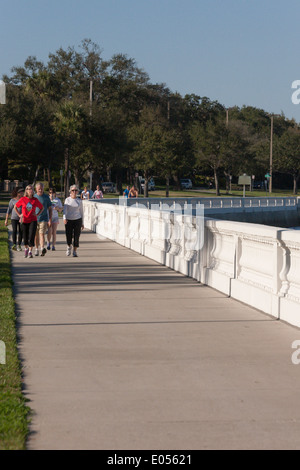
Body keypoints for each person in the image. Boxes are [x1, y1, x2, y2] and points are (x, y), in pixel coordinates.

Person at [14, 185, 43, 258]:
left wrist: (37, 214)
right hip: (24, 221)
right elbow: (15, 207)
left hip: (33, 220)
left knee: (31, 236)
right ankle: (26, 249)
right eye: (28, 189)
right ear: (26, 191)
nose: (30, 190)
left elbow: (41, 208)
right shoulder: (23, 199)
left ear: (33, 191)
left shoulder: (35, 200)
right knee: (25, 237)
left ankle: (30, 251)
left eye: (31, 189)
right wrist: (20, 215)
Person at [63, 185, 84, 257]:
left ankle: (75, 251)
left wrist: (82, 223)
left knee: (76, 236)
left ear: (77, 191)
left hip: (77, 220)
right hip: (69, 220)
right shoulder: (67, 200)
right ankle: (69, 246)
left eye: (75, 190)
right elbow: (65, 210)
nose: (74, 192)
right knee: (68, 235)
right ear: (70, 191)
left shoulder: (79, 201)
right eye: (73, 190)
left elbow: (81, 212)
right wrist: (64, 218)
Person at [34, 182, 53, 256]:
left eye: (41, 189)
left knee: (41, 234)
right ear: (36, 189)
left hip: (44, 219)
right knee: (36, 235)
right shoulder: (34, 197)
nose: (40, 190)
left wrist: (50, 219)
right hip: (34, 219)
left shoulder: (46, 197)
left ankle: (42, 248)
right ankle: (36, 249)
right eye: (39, 189)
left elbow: (50, 209)